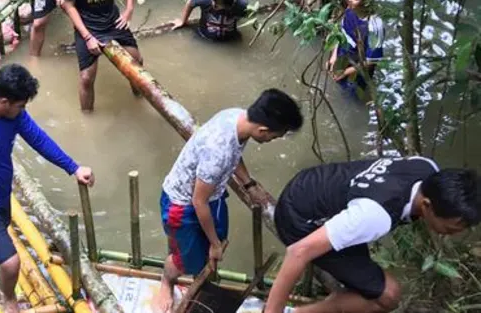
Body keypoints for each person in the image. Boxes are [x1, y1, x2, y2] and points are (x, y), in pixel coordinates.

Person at [0, 64, 94, 313]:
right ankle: (9, 301)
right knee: (10, 263)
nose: (23, 110)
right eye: (21, 105)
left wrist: (73, 168)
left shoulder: (12, 116)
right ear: (4, 101)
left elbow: (38, 139)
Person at [154, 89, 304, 313]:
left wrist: (248, 184)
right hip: (183, 204)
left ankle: (201, 278)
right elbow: (198, 201)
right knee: (183, 260)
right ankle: (167, 282)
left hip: (210, 196)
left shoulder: (237, 117)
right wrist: (214, 245)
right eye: (276, 136)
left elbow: (234, 155)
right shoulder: (218, 150)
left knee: (212, 247)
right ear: (263, 130)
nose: (274, 140)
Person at [264, 158, 480, 313]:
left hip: (312, 184)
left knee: (369, 279)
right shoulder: (376, 215)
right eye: (451, 229)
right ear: (426, 205)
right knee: (388, 296)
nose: (453, 235)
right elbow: (298, 252)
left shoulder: (427, 168)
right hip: (299, 220)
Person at [327, 0, 384, 97]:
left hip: (359, 66)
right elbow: (341, 32)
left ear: (367, 3)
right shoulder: (350, 9)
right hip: (343, 55)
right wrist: (334, 56)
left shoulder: (375, 26)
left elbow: (371, 60)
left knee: (352, 95)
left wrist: (345, 72)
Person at [171, 0, 248, 41]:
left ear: (233, 2)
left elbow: (250, 14)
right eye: (216, 5)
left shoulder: (242, 5)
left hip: (231, 39)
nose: (218, 8)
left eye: (223, 7)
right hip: (203, 37)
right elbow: (190, 1)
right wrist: (183, 21)